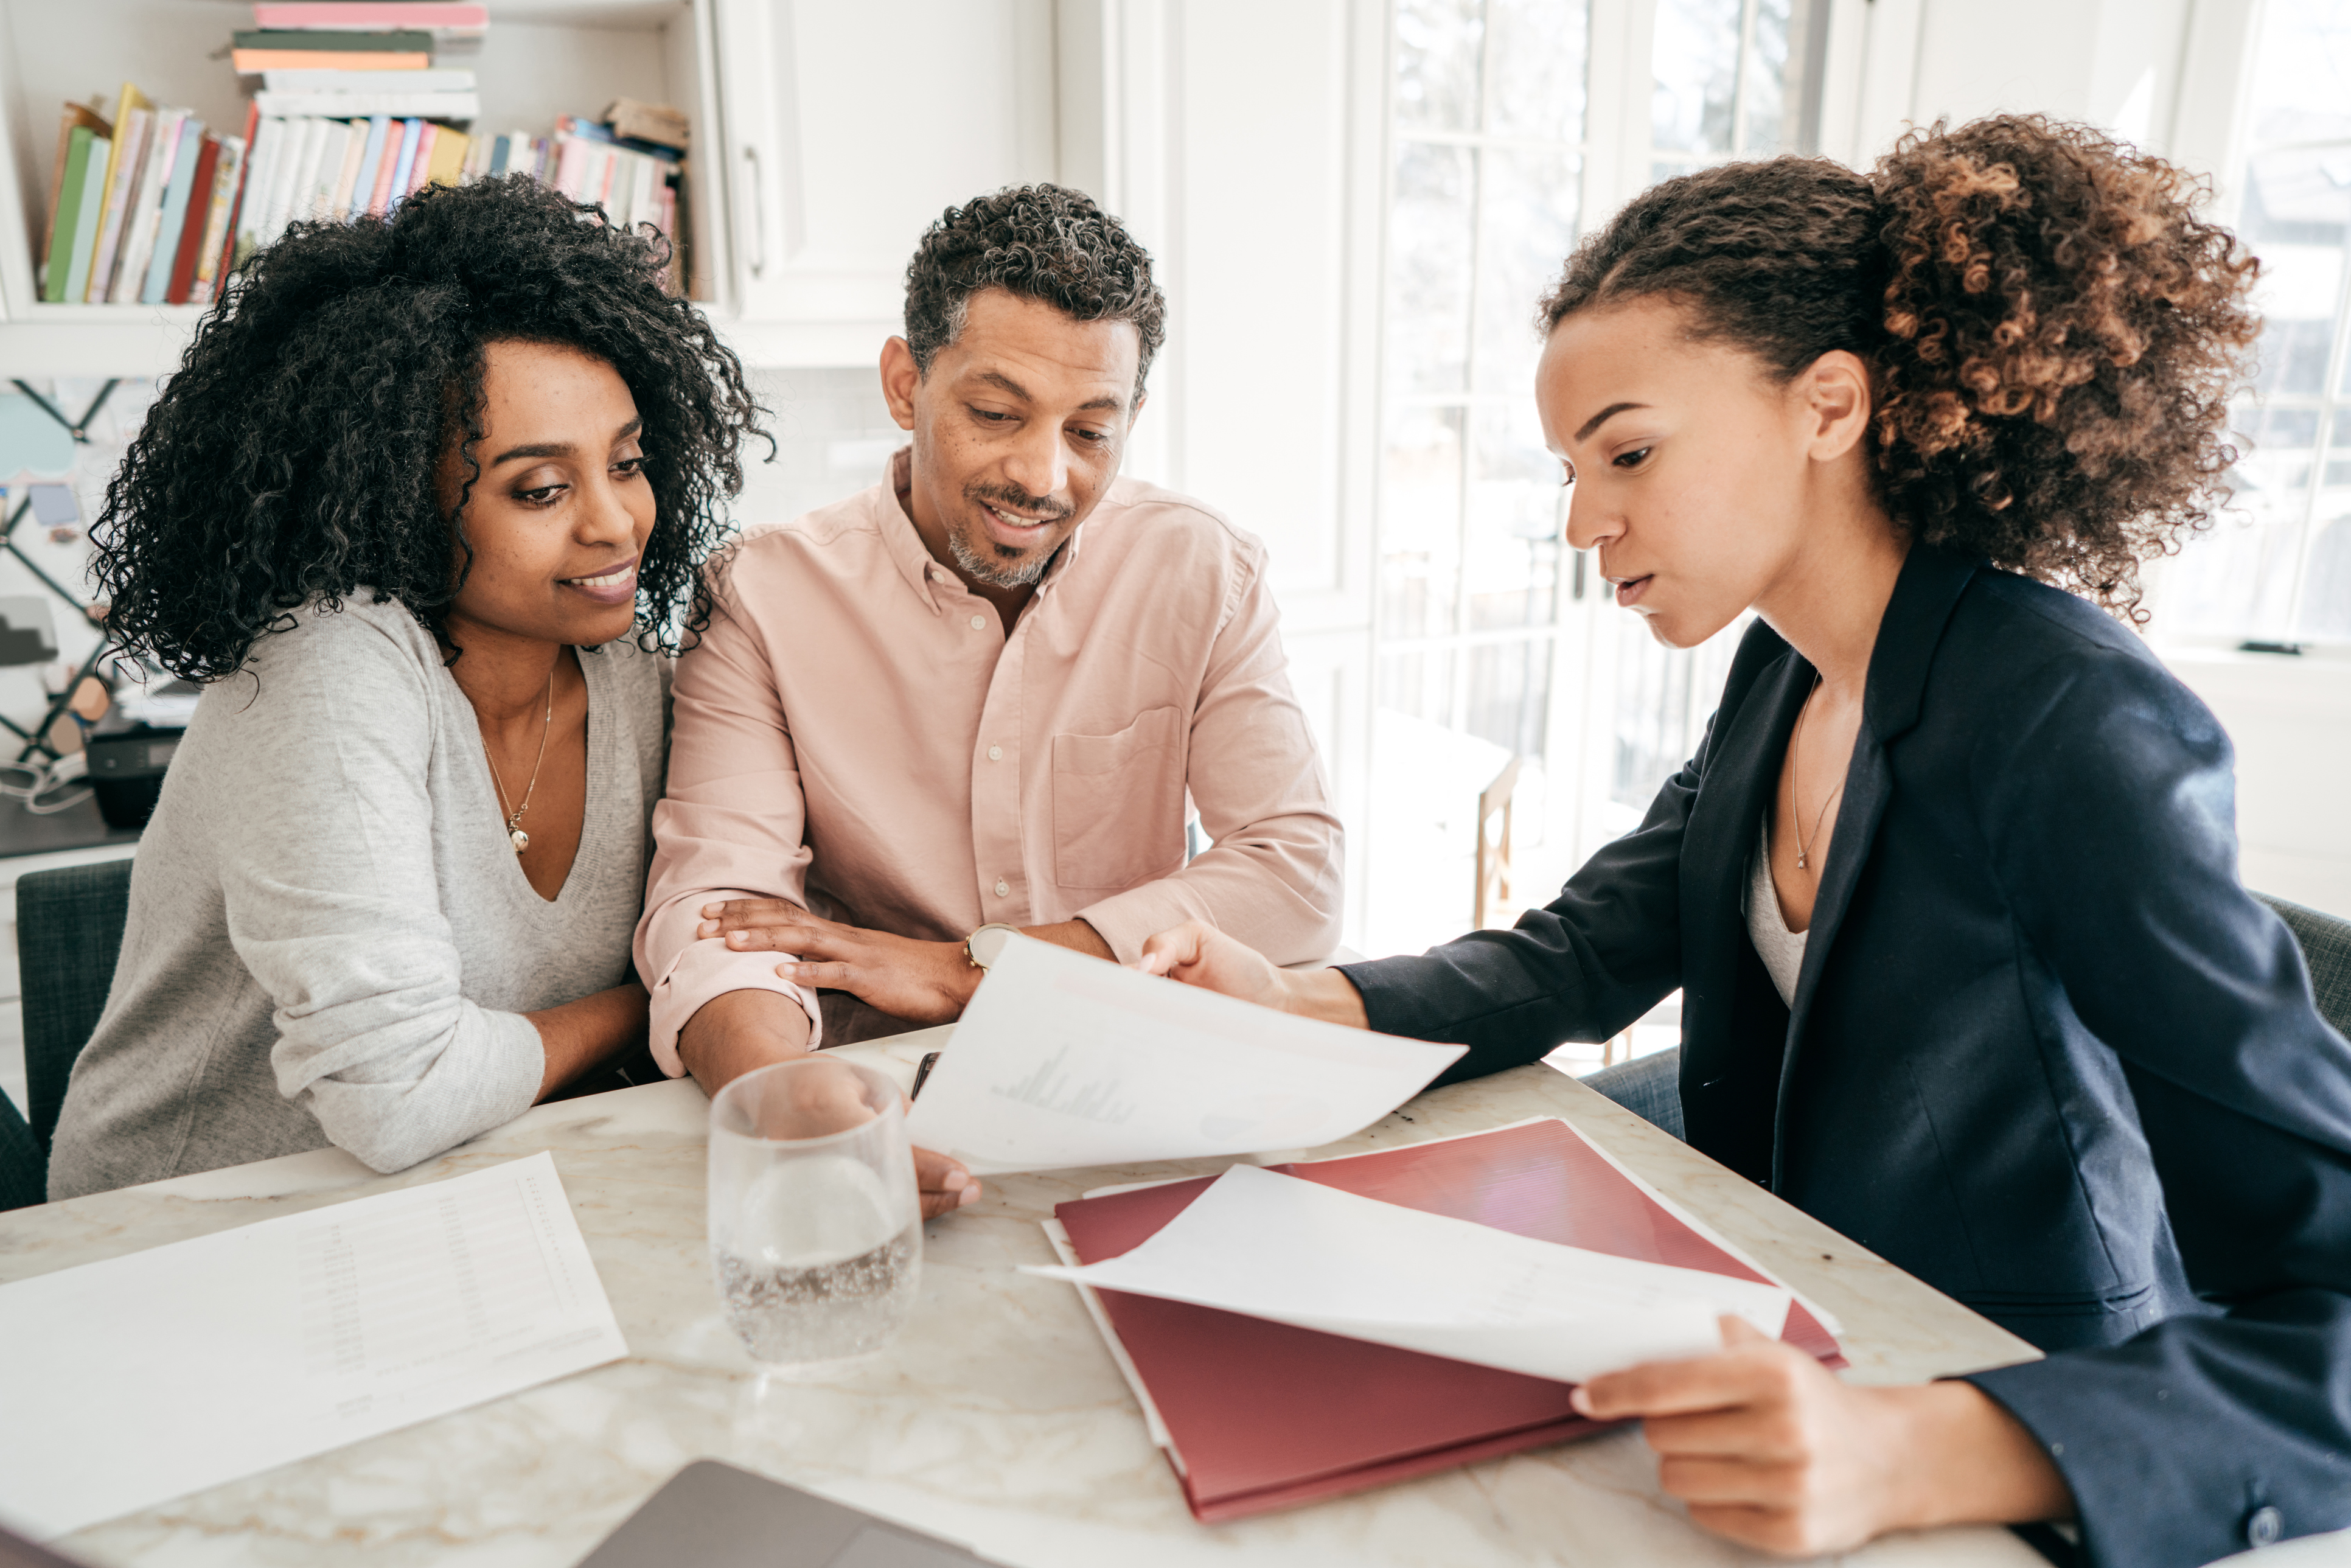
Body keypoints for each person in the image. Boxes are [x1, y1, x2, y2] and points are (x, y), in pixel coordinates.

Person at [1136, 116, 2351, 1566]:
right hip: (1793, 1327)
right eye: (1572, 470)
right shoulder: (1783, 667)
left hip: (2003, 1401)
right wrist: (1292, 998)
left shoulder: (2070, 720)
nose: (1585, 520)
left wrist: (1924, 1442)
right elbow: (1588, 948)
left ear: (1829, 404)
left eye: (1628, 451)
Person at [47, 178, 759, 1200]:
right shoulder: (329, 670)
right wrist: (656, 996)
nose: (615, 524)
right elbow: (402, 1093)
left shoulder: (632, 674)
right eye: (541, 489)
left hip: (464, 1190)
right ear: (397, 501)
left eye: (629, 462)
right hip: (188, 1223)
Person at [634, 185, 1343, 1126]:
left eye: (1091, 431)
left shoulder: (1202, 569)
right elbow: (720, 914)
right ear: (903, 384)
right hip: (879, 1085)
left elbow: (1296, 872)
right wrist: (793, 1106)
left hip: (1138, 1071)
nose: (1044, 478)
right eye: (998, 414)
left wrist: (979, 968)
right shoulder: (760, 594)